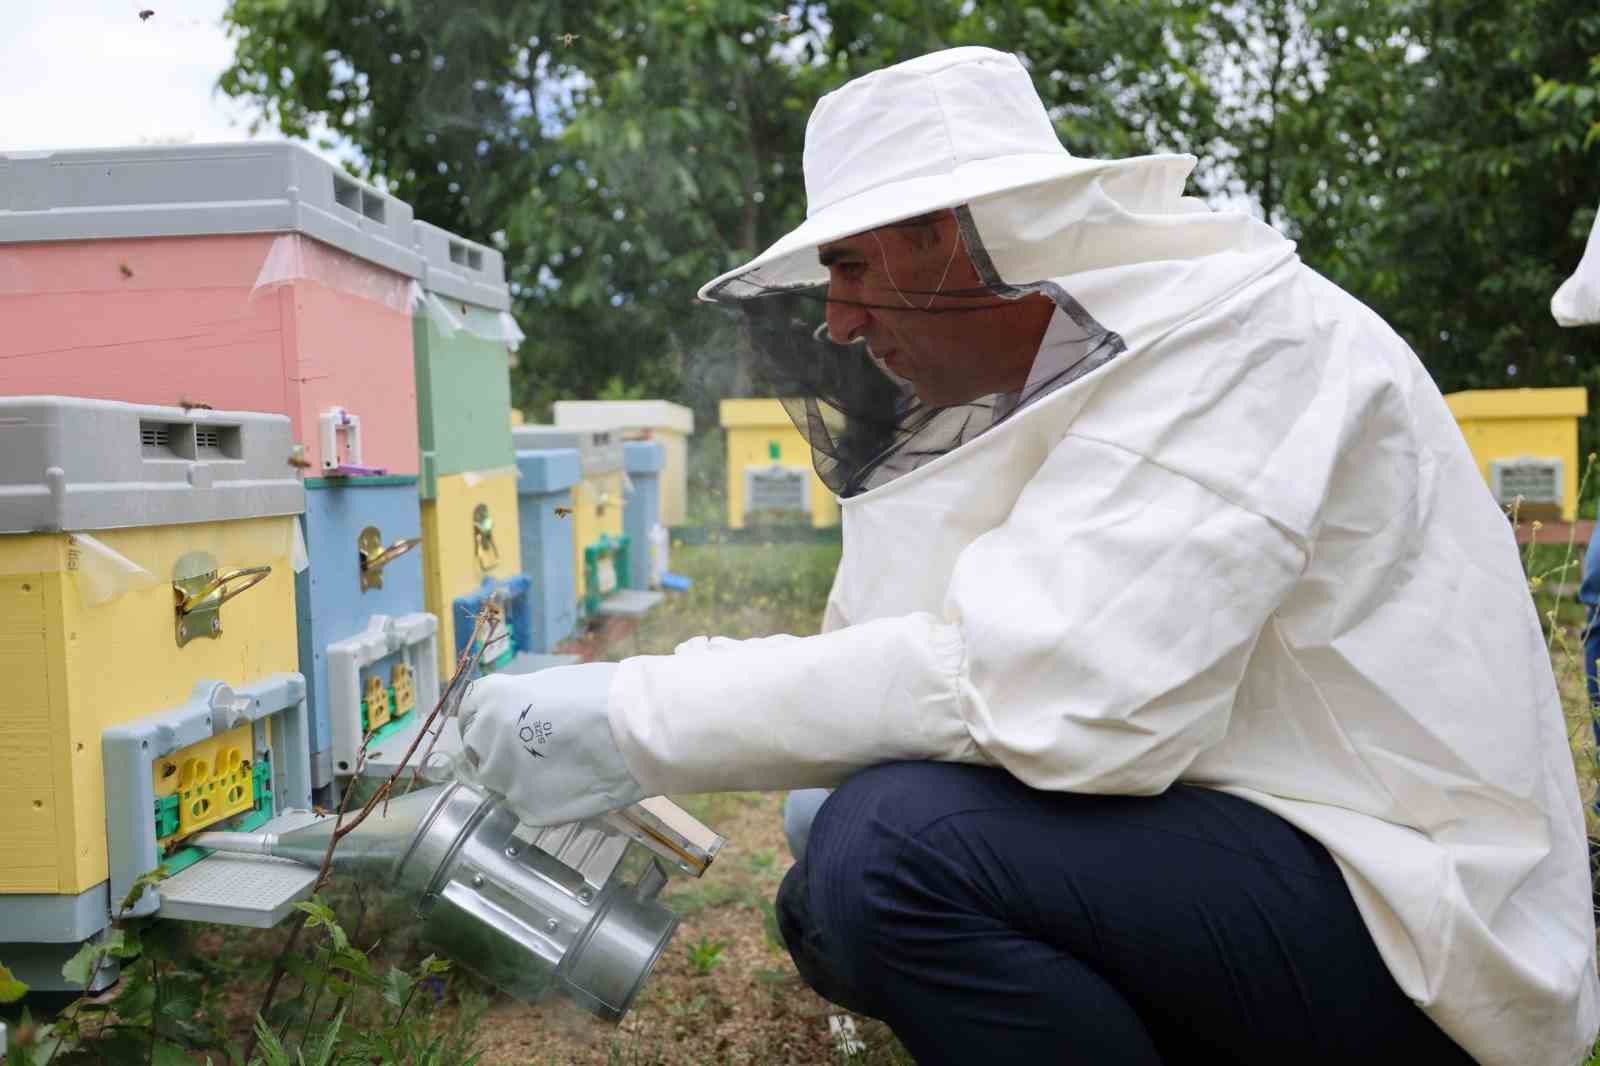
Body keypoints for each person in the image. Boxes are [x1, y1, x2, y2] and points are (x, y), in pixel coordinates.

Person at [456, 47, 1599, 1065]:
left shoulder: (1241, 348)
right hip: (1285, 842)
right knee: (827, 864)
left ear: (948, 237)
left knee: (889, 856)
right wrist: (613, 693)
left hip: (1422, 936)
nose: (839, 320)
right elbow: (900, 658)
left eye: (851, 266)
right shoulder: (1090, 369)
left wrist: (631, 715)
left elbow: (1040, 692)